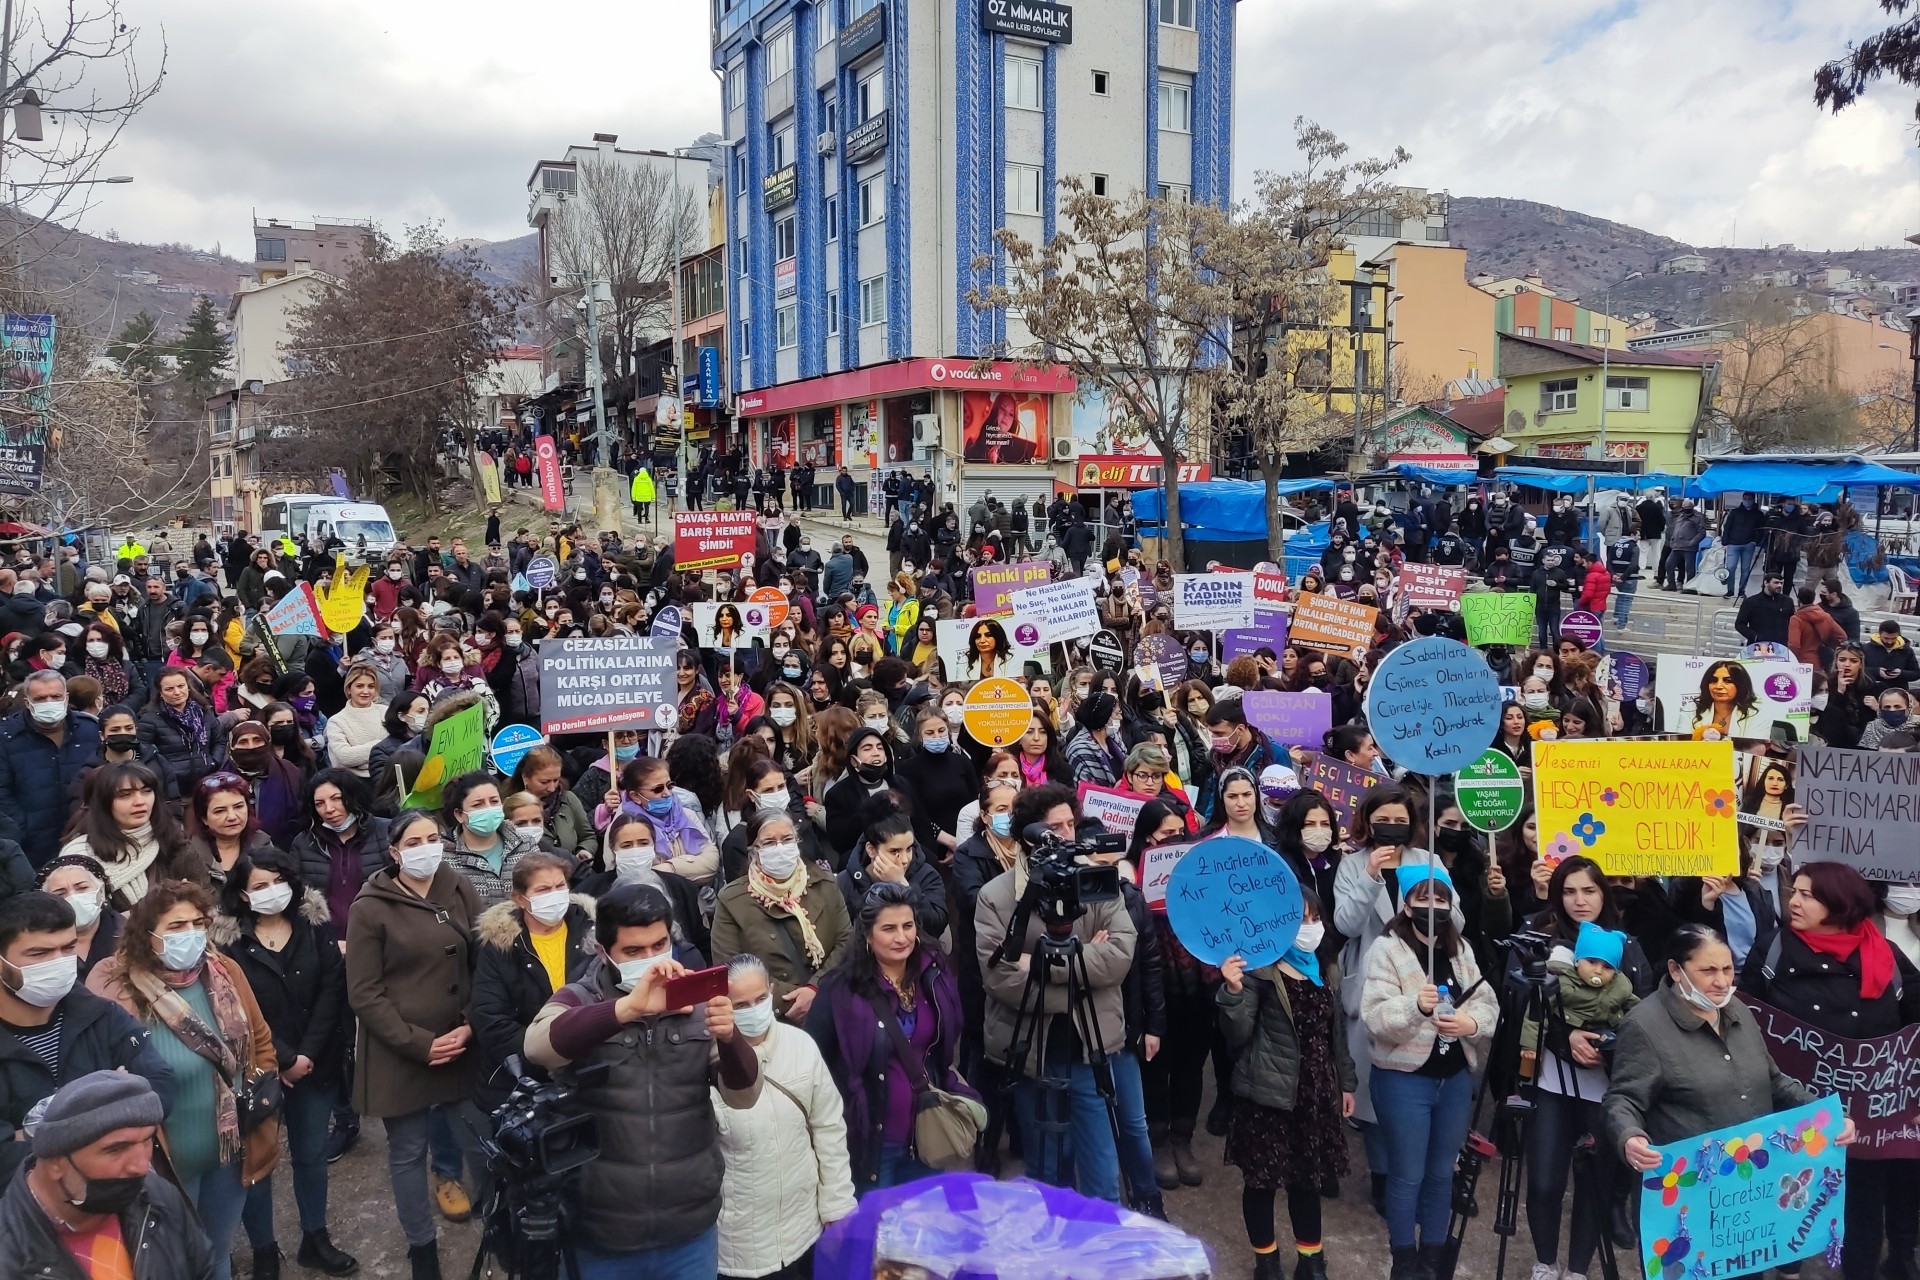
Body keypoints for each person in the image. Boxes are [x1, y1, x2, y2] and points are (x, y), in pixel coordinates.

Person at [525, 882, 762, 1279]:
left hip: (688, 1227)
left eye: (659, 946)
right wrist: (624, 1009)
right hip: (602, 1229)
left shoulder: (697, 1002)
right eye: (633, 952)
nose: (651, 960)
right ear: (603, 951)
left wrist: (730, 1037)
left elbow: (743, 1095)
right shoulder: (580, 998)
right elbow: (537, 1046)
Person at [87, 877, 280, 1280]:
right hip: (162, 1163)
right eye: (176, 926)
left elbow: (260, 1038)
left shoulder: (224, 970)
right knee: (172, 1264)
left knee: (217, 1252)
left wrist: (259, 1083)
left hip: (229, 1151)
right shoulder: (116, 985)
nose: (190, 934)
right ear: (148, 933)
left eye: (197, 923)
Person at [1738, 863, 1920, 1280]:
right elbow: (1743, 1015)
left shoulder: (1886, 956)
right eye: (1794, 892)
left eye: (1808, 895)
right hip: (1790, 1107)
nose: (1794, 901)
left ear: (1839, 903)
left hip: (1869, 1112)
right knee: (1788, 1201)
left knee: (1864, 1207)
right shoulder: (1773, 948)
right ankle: (1788, 1271)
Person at [1606, 923, 1853, 1201]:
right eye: (1708, 971)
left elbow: (1773, 1081)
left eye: (1727, 969)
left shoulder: (1740, 1011)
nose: (1722, 982)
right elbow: (1624, 1099)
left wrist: (1830, 1116)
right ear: (1676, 971)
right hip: (1690, 1191)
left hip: (1752, 1183)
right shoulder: (1644, 1025)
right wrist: (1629, 1137)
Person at [976, 784, 1136, 1202]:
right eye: (1055, 827)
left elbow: (1119, 957)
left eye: (1072, 824)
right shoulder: (994, 898)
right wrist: (1086, 966)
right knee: (1048, 1172)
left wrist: (1041, 964)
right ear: (1029, 836)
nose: (1068, 835)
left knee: (1102, 1171)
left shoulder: (1098, 883)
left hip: (1090, 1046)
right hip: (1031, 1052)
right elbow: (1001, 979)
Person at [344, 810, 482, 1280]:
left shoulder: (457, 886)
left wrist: (471, 1023)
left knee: (479, 1138)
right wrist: (419, 1044)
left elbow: (485, 958)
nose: (427, 847)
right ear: (395, 850)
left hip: (462, 1040)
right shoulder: (371, 906)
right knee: (407, 1152)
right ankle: (421, 1246)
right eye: (414, 840)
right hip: (401, 1049)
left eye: (433, 837)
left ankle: (495, 1224)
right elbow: (364, 991)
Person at [217, 848, 358, 1277]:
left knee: (311, 1155)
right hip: (256, 1069)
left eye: (278, 880)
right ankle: (264, 1249)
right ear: (242, 893)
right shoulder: (228, 943)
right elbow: (236, 1007)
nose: (271, 891)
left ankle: (315, 1238)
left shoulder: (314, 926)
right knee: (256, 1163)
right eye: (259, 885)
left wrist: (306, 1056)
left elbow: (333, 990)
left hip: (315, 1065)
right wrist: (280, 1058)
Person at [1360, 864, 1499, 1280]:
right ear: (1407, 904)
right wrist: (1414, 1008)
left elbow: (1487, 1003)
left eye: (1441, 899)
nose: (1433, 906)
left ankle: (1433, 1261)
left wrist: (1470, 1025)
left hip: (1454, 1079)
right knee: (1408, 1176)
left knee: (1442, 1175)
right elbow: (1376, 1017)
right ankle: (1404, 1264)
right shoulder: (1387, 950)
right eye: (1424, 898)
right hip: (1403, 1081)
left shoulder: (1461, 950)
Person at [1219, 888, 1354, 1280]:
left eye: (1315, 919)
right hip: (1268, 1094)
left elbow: (1337, 1034)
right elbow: (1237, 1032)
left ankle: (1311, 1259)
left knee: (1306, 1180)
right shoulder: (1260, 970)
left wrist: (1346, 1082)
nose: (1310, 928)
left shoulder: (1327, 969)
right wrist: (1232, 990)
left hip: (1315, 1094)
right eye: (1300, 920)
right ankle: (1267, 1260)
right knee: (1261, 1182)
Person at [806, 880, 975, 1194]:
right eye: (889, 929)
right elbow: (816, 1062)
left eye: (908, 925)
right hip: (871, 1140)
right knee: (876, 1234)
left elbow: (944, 1048)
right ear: (868, 935)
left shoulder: (933, 974)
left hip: (927, 1134)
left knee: (921, 1231)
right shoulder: (840, 990)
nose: (902, 937)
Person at [0, 890, 175, 1185]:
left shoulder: (100, 1014)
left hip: (116, 1200)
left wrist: (37, 1132)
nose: (58, 962)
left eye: (68, 948)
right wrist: (111, 1111)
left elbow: (160, 1084)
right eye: (39, 953)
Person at [714, 953, 856, 1278]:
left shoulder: (801, 1046)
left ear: (771, 990)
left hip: (802, 1232)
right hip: (736, 1248)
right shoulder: (708, 1062)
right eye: (741, 1005)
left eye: (760, 998)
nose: (753, 1010)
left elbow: (828, 1127)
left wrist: (837, 1205)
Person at [0, 1069, 217, 1278]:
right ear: (55, 1161)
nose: (142, 1167)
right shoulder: (9, 1257)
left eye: (147, 1140)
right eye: (116, 1149)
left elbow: (203, 1270)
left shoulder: (158, 1197)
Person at [469, 852, 595, 1115]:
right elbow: (491, 1019)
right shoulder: (499, 947)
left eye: (560, 886)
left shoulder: (593, 932)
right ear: (519, 898)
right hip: (522, 1082)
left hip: (590, 1075)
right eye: (543, 889)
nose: (555, 894)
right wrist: (549, 1055)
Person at [712, 808, 851, 1026]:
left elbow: (845, 942)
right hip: (774, 1016)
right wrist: (789, 1001)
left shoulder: (824, 883)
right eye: (768, 843)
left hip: (832, 1003)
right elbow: (728, 965)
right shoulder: (732, 901)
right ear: (753, 850)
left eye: (787, 840)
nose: (780, 848)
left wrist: (816, 989)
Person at [0, 671, 104, 866]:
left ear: (66, 697)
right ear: (28, 702)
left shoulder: (90, 729)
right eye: (40, 698)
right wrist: (21, 829)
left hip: (88, 837)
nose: (49, 702)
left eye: (55, 696)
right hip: (32, 845)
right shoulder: (6, 737)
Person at [60, 760, 194, 910]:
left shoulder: (172, 839)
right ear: (104, 802)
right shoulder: (79, 856)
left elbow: (206, 899)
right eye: (125, 795)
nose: (140, 802)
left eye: (146, 791)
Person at [182, 770, 278, 895]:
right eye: (220, 811)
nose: (232, 816)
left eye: (238, 807)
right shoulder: (188, 854)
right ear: (204, 818)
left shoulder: (263, 844)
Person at [37, 854, 123, 980]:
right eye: (60, 894)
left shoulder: (131, 932)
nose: (73, 897)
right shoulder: (39, 946)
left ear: (101, 891)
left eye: (82, 888)